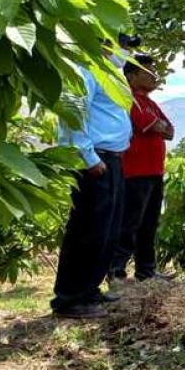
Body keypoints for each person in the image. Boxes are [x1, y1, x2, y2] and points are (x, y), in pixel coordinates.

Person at [51, 50, 133, 318]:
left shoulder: (109, 75)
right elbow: (73, 114)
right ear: (106, 44)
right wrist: (89, 157)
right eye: (122, 44)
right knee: (88, 229)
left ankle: (89, 289)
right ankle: (70, 297)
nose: (126, 52)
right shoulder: (85, 68)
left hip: (111, 159)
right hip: (95, 160)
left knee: (106, 230)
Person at [109, 54, 174, 282]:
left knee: (148, 223)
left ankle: (146, 271)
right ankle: (116, 270)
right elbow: (155, 126)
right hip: (135, 171)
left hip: (154, 171)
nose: (154, 75)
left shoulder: (151, 103)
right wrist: (158, 126)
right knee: (130, 222)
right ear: (131, 76)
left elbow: (170, 131)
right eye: (148, 71)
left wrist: (159, 126)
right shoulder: (130, 99)